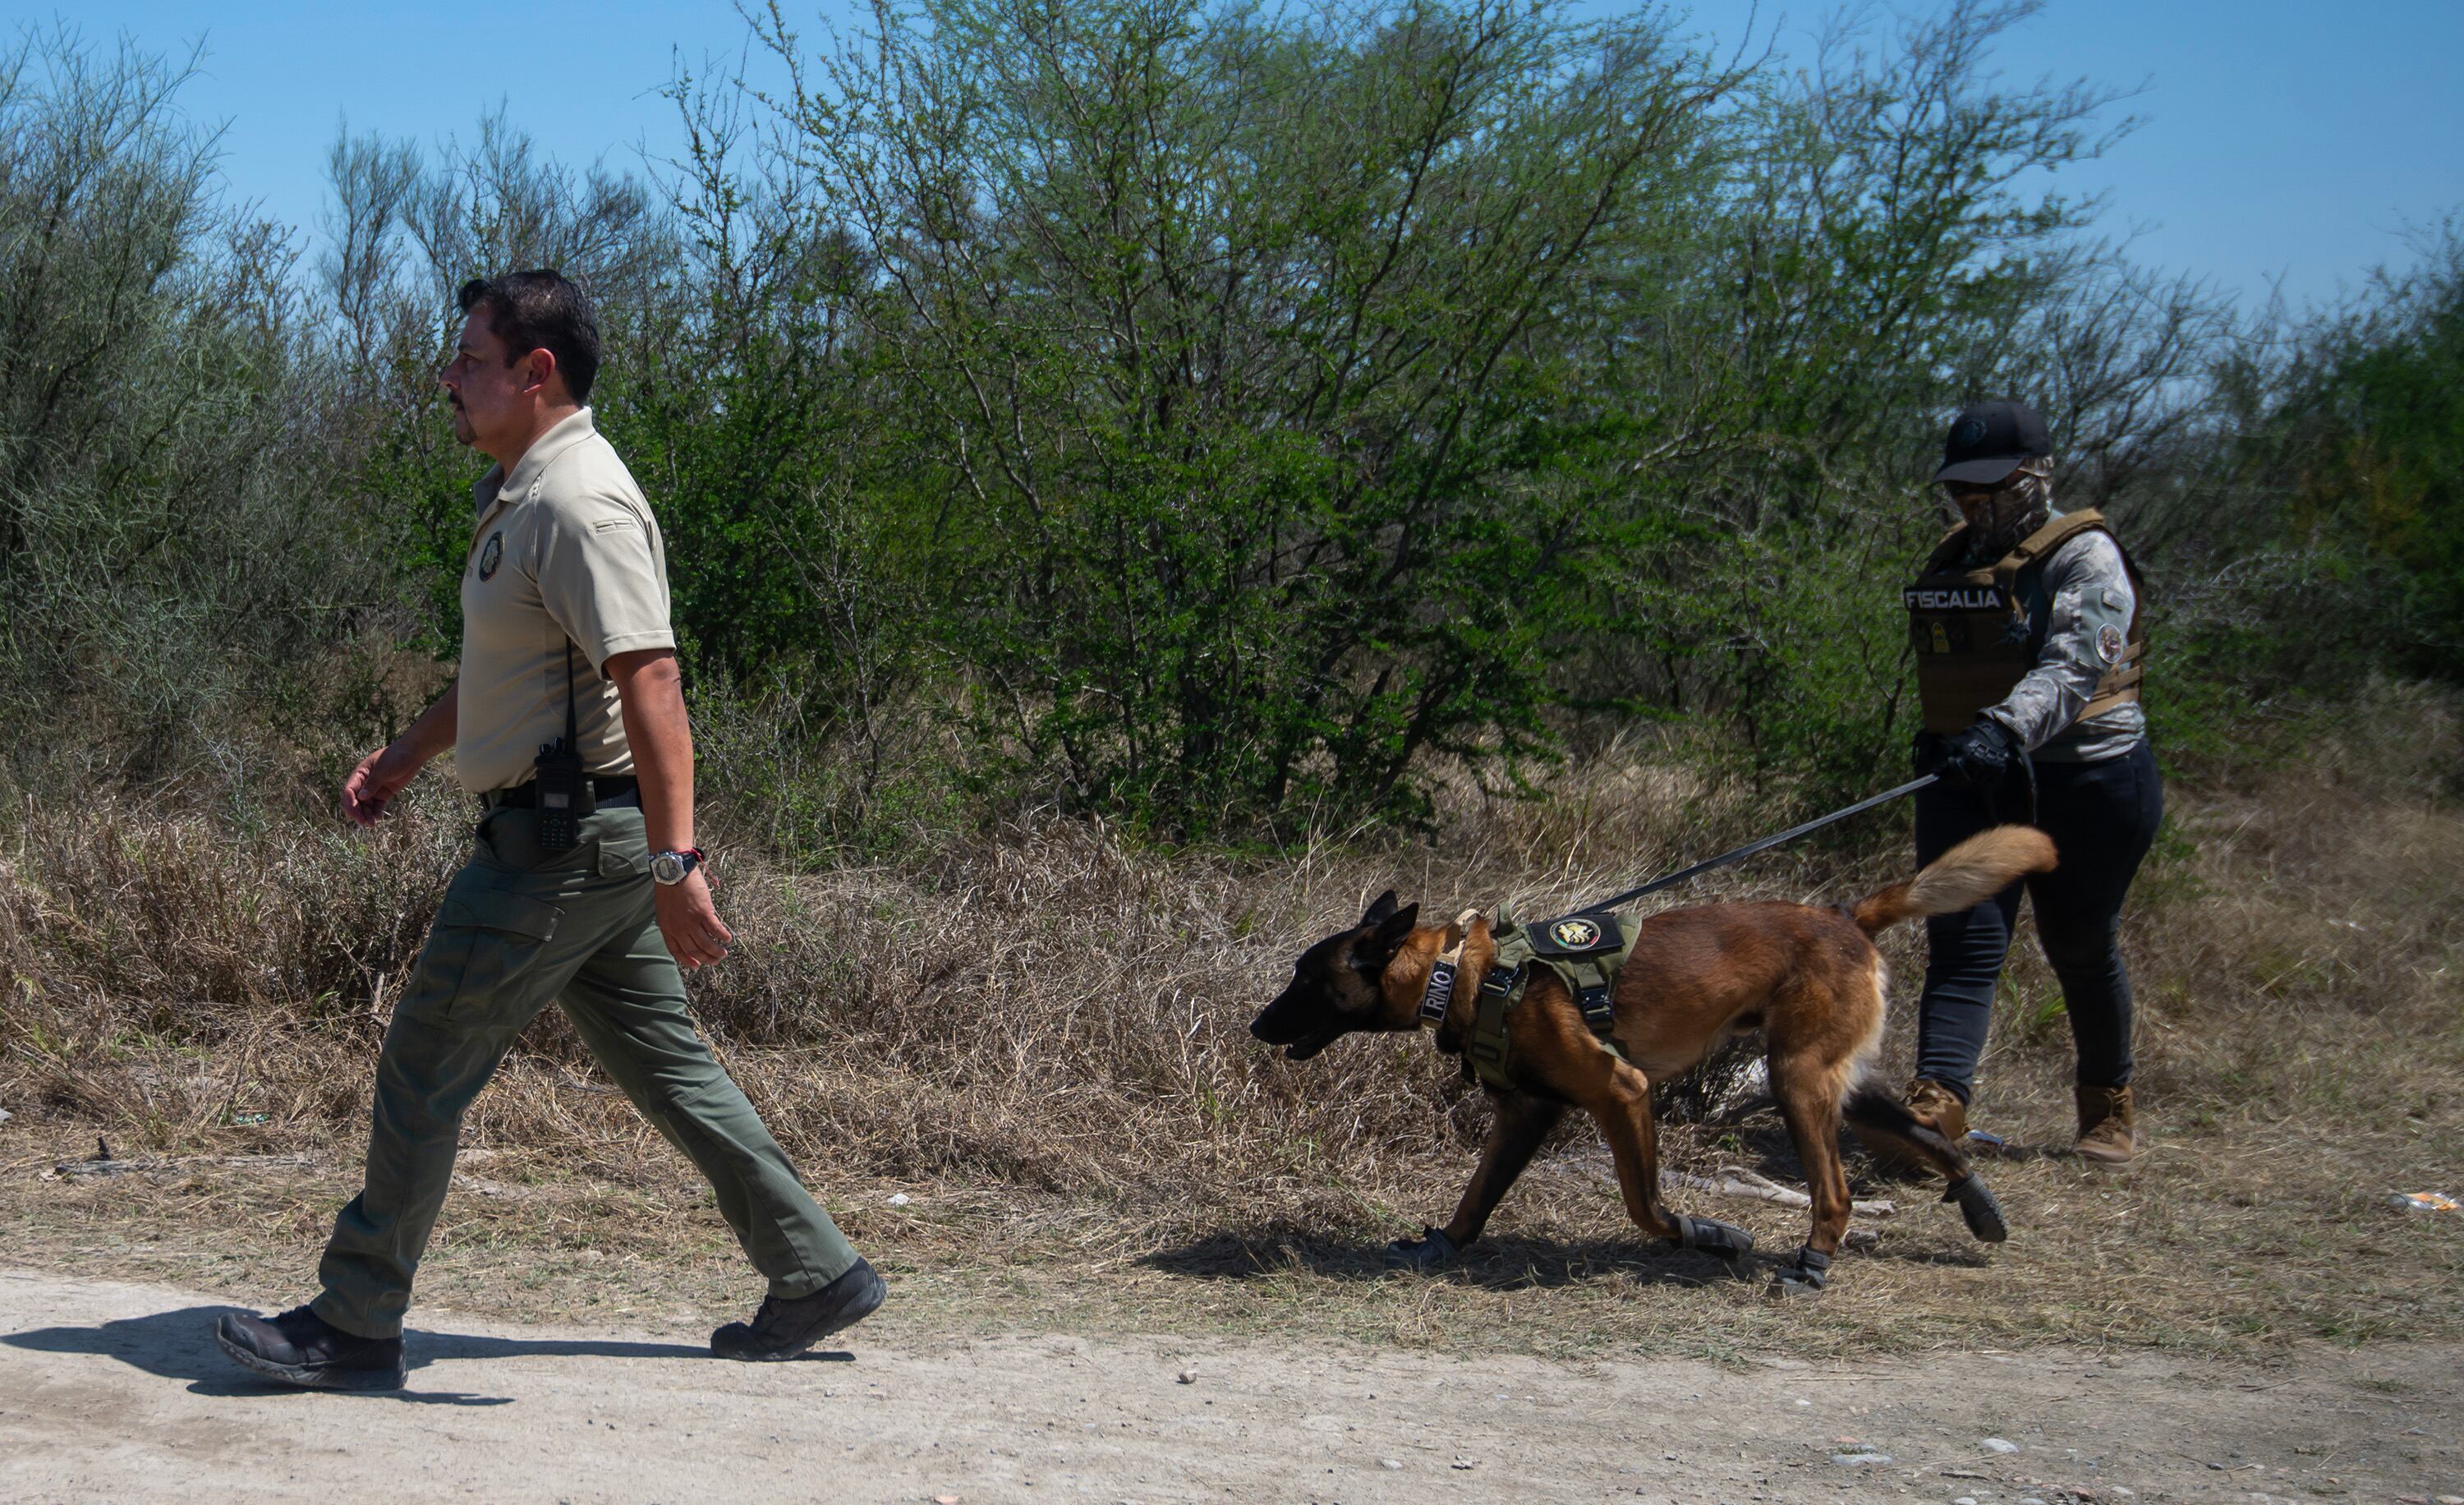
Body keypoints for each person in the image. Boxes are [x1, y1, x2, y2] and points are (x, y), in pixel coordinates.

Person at [214, 269, 881, 1391]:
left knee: (426, 1058)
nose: (449, 381)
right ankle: (814, 1269)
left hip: (561, 848)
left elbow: (653, 677)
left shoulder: (579, 503)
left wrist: (680, 864)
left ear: (538, 372)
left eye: (469, 361)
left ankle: (357, 1319)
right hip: (587, 840)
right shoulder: (525, 498)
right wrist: (405, 757)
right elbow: (508, 677)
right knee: (668, 1067)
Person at [1890, 398, 2163, 1167]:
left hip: (2088, 780)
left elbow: (2077, 664)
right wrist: (1954, 736)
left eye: (1990, 486)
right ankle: (1936, 1106)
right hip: (1971, 775)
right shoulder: (1952, 557)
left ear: (2036, 476)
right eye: (1960, 489)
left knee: (2077, 942)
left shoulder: (2087, 555)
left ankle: (2108, 1105)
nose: (1973, 503)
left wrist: (2004, 728)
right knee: (1961, 938)